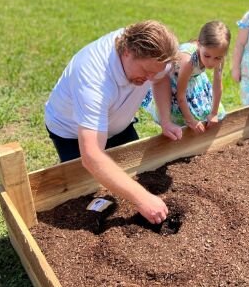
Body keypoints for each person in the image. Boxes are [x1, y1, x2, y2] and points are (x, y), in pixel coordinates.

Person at [45, 20, 183, 225]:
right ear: (127, 51)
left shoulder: (156, 57)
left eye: (155, 71)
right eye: (146, 71)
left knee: (134, 174)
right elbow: (91, 156)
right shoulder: (94, 80)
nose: (149, 78)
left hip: (118, 122)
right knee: (86, 192)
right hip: (71, 131)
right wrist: (144, 199)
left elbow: (161, 78)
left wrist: (165, 120)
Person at [142, 20, 231, 133]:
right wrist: (191, 121)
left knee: (208, 111)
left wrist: (213, 113)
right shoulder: (188, 61)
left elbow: (217, 87)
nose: (211, 62)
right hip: (175, 82)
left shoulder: (219, 57)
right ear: (199, 45)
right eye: (207, 56)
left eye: (217, 58)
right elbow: (180, 95)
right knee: (185, 118)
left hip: (194, 79)